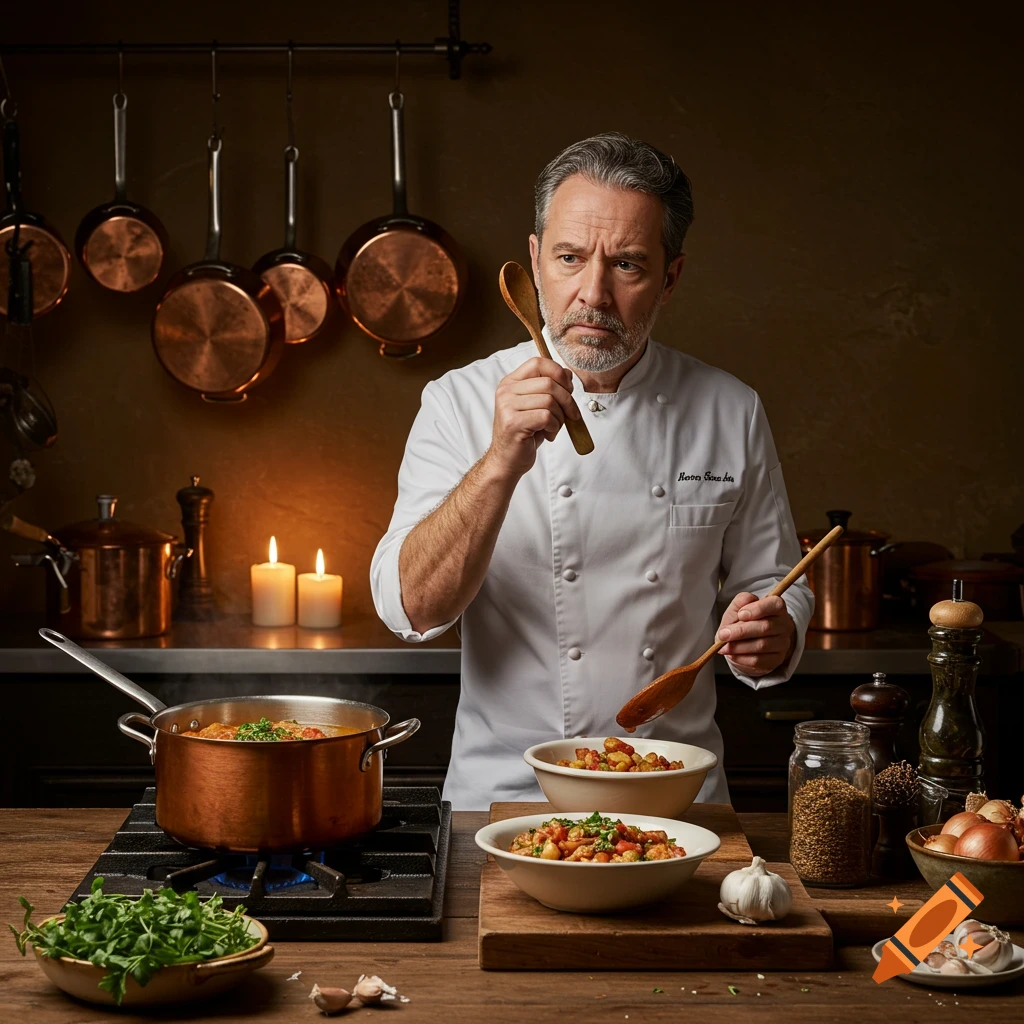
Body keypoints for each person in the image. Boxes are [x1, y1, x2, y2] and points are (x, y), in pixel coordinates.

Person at [371, 132, 813, 809]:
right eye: (570, 258)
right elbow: (410, 609)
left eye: (628, 265)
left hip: (677, 792)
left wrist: (775, 635)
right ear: (535, 260)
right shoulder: (457, 402)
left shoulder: (730, 408)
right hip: (504, 797)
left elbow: (772, 582)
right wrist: (500, 463)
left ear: (671, 276)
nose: (592, 294)